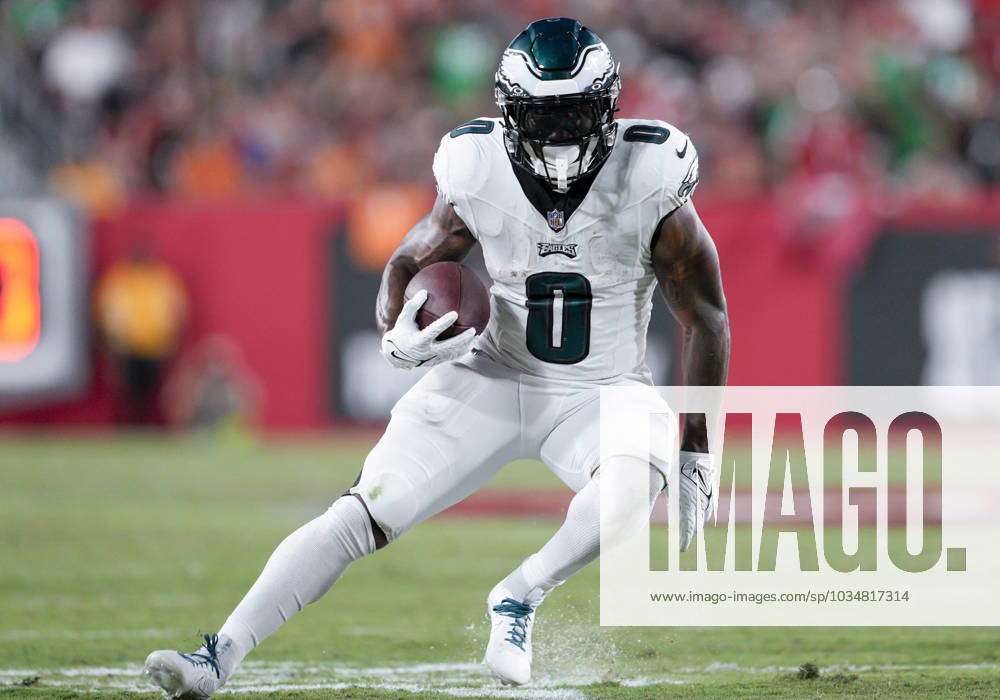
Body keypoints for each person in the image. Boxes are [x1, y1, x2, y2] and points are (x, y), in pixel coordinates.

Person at [144, 17, 729, 697]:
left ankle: (519, 595)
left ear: (609, 109)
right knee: (363, 512)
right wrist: (396, 328)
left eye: (576, 111)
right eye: (545, 115)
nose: (563, 131)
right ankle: (218, 655)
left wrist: (695, 451)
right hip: (490, 373)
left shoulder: (651, 173)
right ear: (510, 114)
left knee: (634, 485)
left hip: (601, 390)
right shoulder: (475, 167)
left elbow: (707, 316)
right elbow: (408, 259)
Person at [94, 241, 187, 424]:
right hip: (127, 345)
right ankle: (128, 426)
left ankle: (150, 426)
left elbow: (174, 309)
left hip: (156, 344)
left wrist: (171, 336)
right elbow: (107, 310)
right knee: (128, 392)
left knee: (153, 392)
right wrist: (111, 339)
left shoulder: (162, 279)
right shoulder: (120, 279)